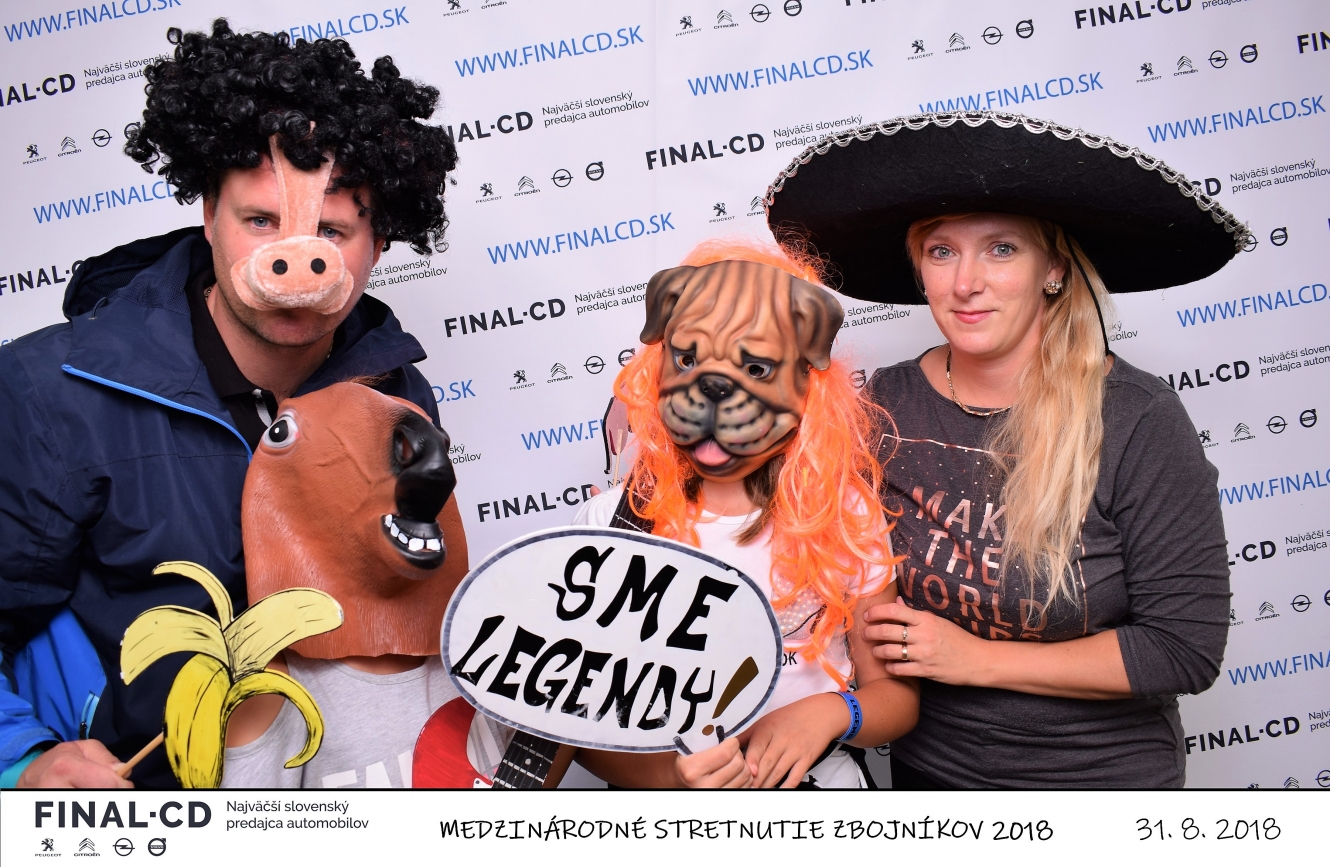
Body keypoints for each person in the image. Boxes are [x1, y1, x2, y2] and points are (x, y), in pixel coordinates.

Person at [0, 19, 458, 789]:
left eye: (333, 230)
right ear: (209, 214)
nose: (296, 258)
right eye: (260, 221)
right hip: (148, 800)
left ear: (379, 244)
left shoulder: (394, 393)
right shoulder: (51, 391)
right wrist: (22, 758)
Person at [765, 112, 1244, 787]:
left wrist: (976, 659)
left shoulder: (1137, 419)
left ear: (1053, 269)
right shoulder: (883, 406)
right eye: (942, 251)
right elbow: (788, 537)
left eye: (1000, 249)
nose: (966, 282)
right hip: (932, 779)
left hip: (1099, 786)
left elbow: (1182, 648)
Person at [572, 241, 919, 788]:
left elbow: (895, 700)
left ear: (808, 383)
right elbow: (572, 727)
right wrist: (671, 778)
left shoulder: (843, 513)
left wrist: (833, 712)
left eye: (756, 367)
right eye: (688, 359)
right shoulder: (617, 523)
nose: (715, 392)